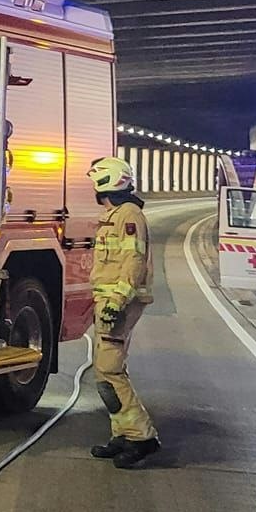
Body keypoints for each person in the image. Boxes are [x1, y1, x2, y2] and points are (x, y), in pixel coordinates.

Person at [85, 156, 160, 468]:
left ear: (106, 182)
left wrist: (116, 302)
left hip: (118, 303)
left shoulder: (128, 215)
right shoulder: (117, 213)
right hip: (110, 302)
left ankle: (142, 437)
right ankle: (122, 433)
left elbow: (133, 262)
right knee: (105, 370)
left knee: (110, 369)